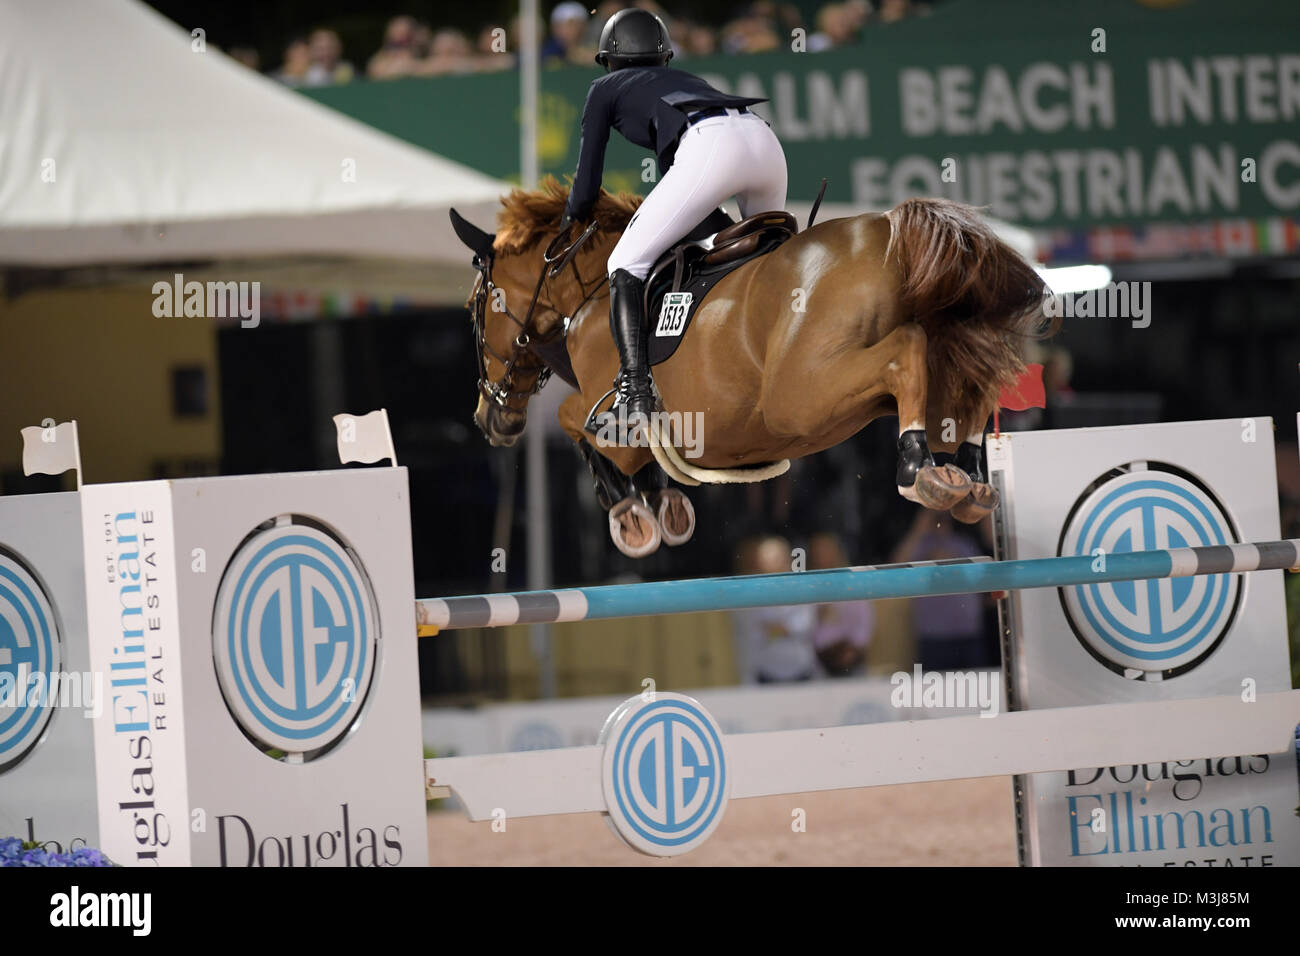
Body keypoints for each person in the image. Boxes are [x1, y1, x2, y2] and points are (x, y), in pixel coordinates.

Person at [558, 8, 789, 444]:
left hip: (711, 146)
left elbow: (587, 184)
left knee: (624, 263)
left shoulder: (603, 88)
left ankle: (634, 394)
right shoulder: (684, 81)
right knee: (771, 264)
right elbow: (695, 206)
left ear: (609, 60)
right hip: (763, 141)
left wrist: (572, 216)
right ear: (665, 56)